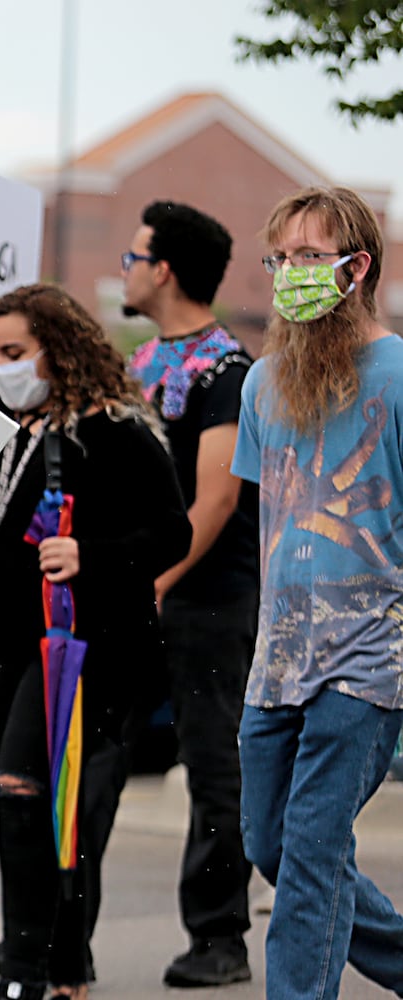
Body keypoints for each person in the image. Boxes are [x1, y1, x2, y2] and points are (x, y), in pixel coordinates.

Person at [0, 284, 190, 1000]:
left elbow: (169, 534)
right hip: (4, 642)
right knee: (47, 804)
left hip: (87, 647)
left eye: (15, 353)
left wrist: (89, 553)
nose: (2, 368)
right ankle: (61, 961)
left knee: (21, 789)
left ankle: (24, 971)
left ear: (57, 350)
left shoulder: (114, 429)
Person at [233, 186, 403, 1000]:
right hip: (277, 658)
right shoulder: (262, 382)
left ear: (355, 266)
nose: (288, 274)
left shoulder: (400, 374)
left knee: (306, 852)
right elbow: (258, 519)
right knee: (270, 843)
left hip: (371, 656)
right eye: (279, 259)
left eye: (306, 257)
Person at [122, 201, 258, 989]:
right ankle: (51, 934)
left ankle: (218, 937)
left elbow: (212, 502)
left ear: (163, 268)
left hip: (208, 600)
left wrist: (149, 584)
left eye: (132, 255)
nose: (125, 268)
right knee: (94, 756)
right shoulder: (137, 366)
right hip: (143, 593)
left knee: (213, 763)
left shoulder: (226, 371)